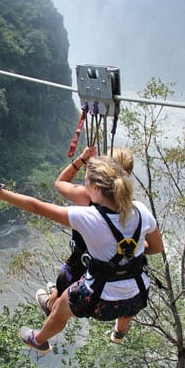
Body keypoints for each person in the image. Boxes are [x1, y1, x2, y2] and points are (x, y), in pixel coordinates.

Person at [0, 156, 163, 356]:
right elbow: (156, 247)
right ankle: (119, 333)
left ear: (97, 189)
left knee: (62, 304)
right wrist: (126, 251)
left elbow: (37, 207)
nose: (84, 185)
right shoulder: (141, 211)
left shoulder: (88, 217)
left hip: (100, 302)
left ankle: (38, 339)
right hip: (138, 296)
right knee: (128, 287)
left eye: (86, 182)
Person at [38, 145, 136, 338]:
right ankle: (119, 332)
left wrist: (82, 159)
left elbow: (60, 182)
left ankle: (50, 304)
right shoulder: (132, 207)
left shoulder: (86, 195)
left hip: (83, 266)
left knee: (64, 289)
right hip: (117, 274)